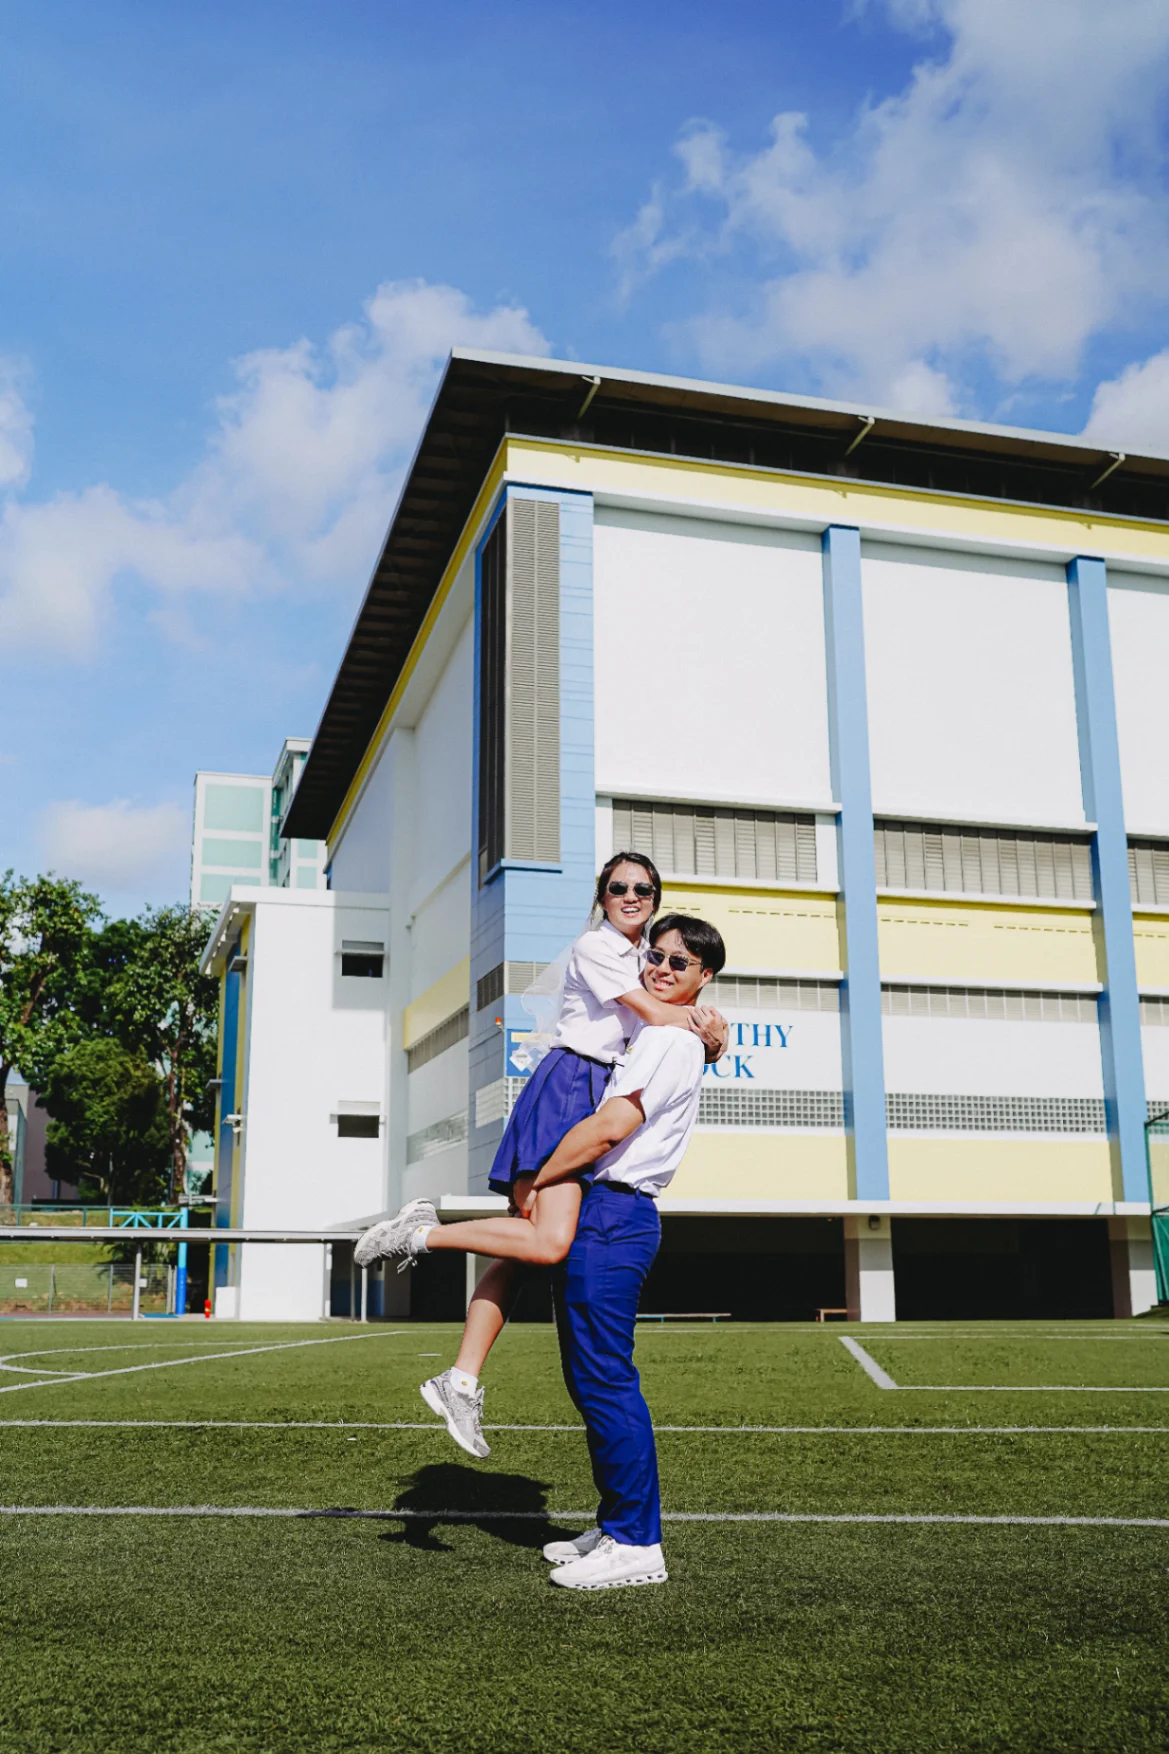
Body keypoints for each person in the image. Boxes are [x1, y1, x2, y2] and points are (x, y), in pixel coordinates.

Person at [357, 912, 725, 1591]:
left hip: (614, 1213)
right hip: (607, 1213)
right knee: (593, 1383)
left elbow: (612, 1124)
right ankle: (616, 1524)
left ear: (703, 981)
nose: (663, 968)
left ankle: (637, 1543)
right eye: (658, 957)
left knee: (606, 1384)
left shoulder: (666, 1043)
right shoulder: (659, 1033)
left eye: (682, 964)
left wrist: (549, 1173)